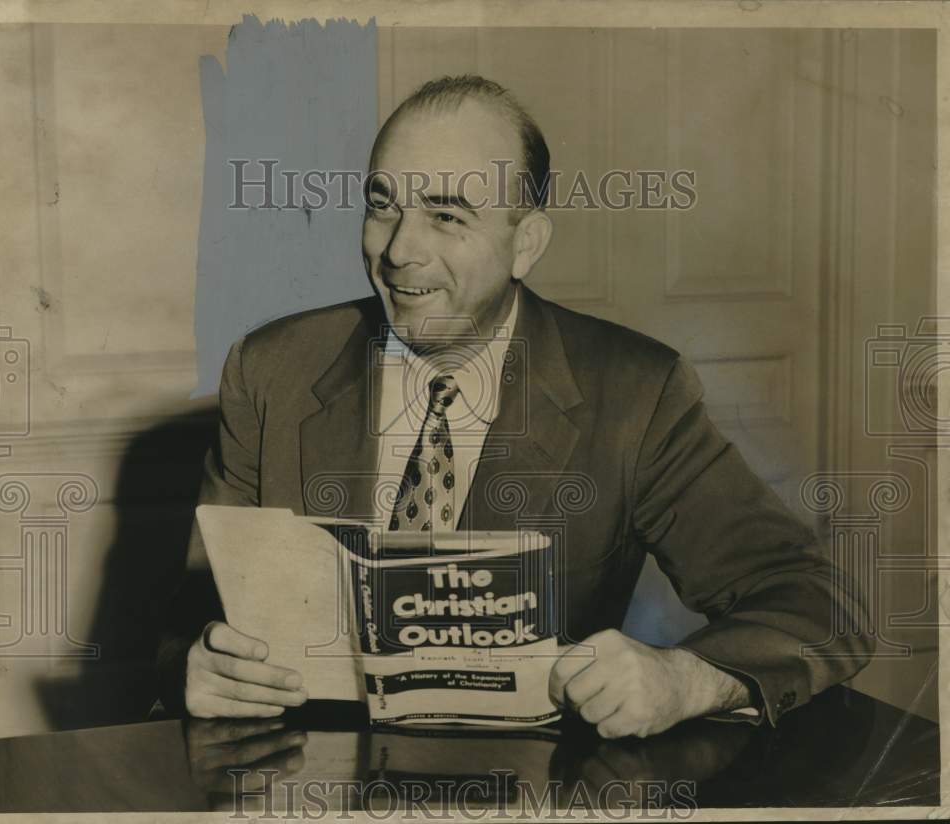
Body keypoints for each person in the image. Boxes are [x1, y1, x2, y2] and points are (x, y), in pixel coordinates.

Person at [158, 75, 873, 739]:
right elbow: (190, 618)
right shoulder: (273, 370)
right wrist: (196, 664)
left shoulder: (633, 394)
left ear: (525, 243)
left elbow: (817, 602)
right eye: (384, 206)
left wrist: (685, 679)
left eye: (446, 216)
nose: (400, 251)